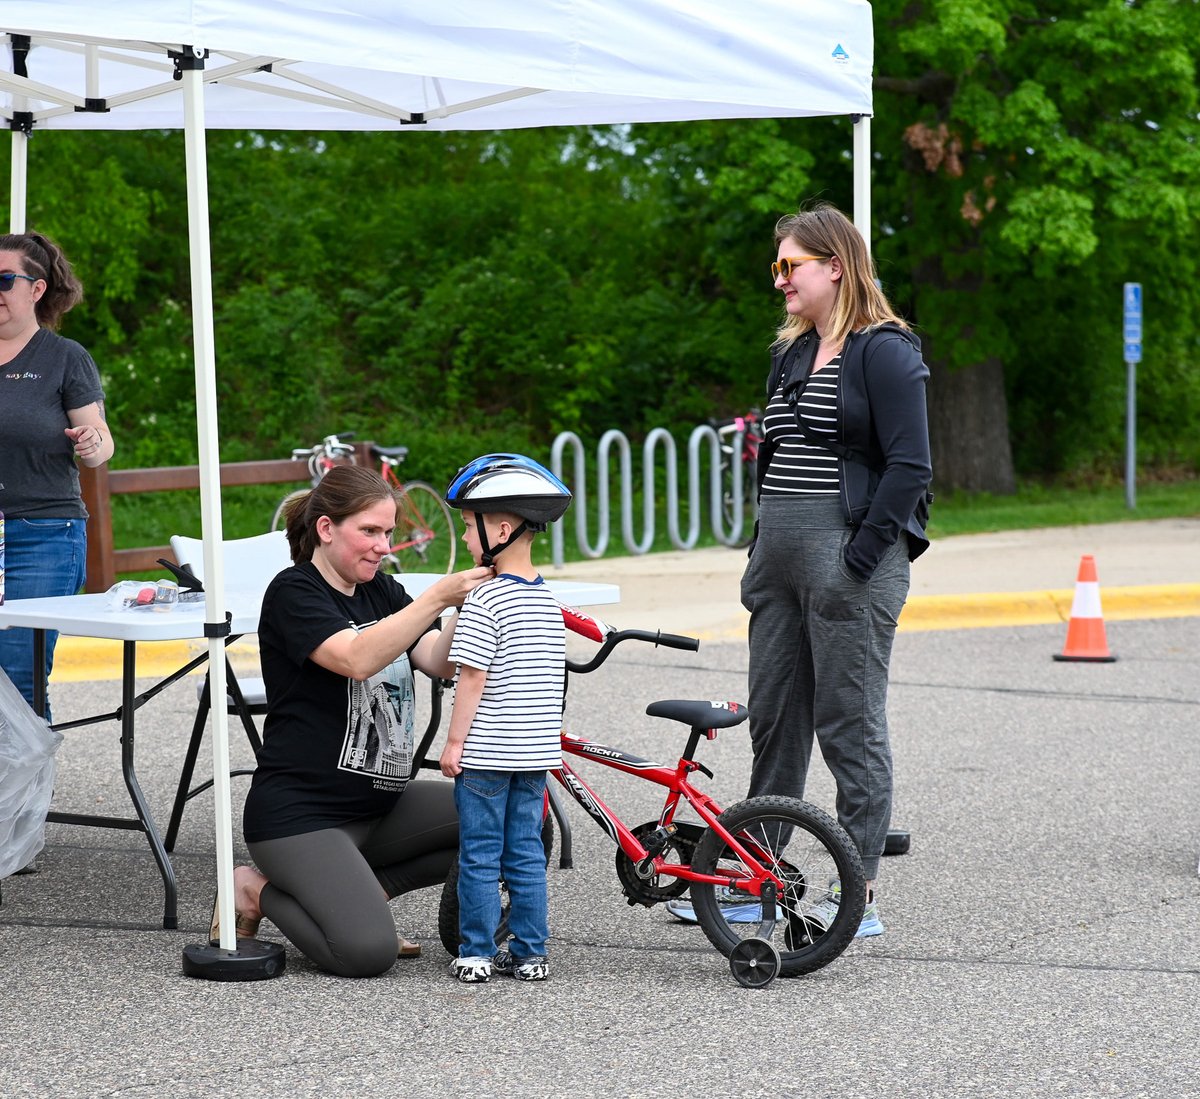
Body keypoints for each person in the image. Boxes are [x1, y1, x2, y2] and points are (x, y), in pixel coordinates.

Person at [669, 202, 932, 938]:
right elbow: (780, 458)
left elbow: (911, 466)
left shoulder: (886, 351)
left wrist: (858, 554)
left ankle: (860, 892)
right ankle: (760, 876)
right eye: (776, 265)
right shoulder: (789, 352)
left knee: (850, 725)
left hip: (850, 563)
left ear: (835, 266)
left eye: (791, 264)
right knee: (776, 720)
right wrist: (763, 551)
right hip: (779, 564)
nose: (778, 277)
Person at [212, 464, 493, 978]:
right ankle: (255, 888)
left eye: (388, 532)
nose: (384, 545)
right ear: (325, 528)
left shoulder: (381, 591)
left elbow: (436, 658)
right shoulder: (294, 592)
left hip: (380, 808)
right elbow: (356, 658)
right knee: (366, 953)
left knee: (511, 817)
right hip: (301, 818)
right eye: (370, 531)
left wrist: (476, 603)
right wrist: (434, 597)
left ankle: (360, 892)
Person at [439, 454, 571, 983]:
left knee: (479, 856)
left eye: (470, 528)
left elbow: (470, 678)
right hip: (534, 758)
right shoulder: (546, 599)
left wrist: (453, 744)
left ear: (500, 528)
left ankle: (475, 951)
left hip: (488, 756)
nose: (468, 540)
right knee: (524, 856)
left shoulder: (486, 598)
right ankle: (530, 953)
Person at [0, 231, 114, 719]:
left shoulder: (64, 356)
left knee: (19, 677)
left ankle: (23, 797)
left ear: (36, 289)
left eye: (4, 279)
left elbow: (100, 446)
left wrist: (90, 442)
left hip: (40, 534)